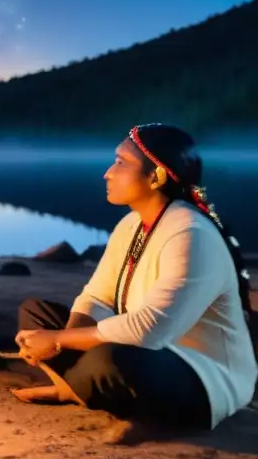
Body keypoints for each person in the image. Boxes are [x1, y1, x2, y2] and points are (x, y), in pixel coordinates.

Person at [14, 124, 257, 429]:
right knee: (36, 315)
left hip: (202, 377)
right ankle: (81, 386)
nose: (108, 173)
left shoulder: (190, 233)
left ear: (155, 177)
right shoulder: (131, 224)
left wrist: (60, 341)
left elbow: (148, 330)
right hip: (142, 349)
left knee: (107, 361)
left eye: (120, 163)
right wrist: (62, 340)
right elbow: (97, 296)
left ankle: (76, 388)